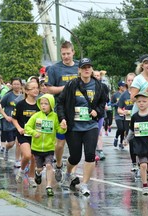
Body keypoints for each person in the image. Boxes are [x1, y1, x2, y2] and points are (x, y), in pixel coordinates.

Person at [57, 58, 106, 196]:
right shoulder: (71, 85)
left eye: (89, 67)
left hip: (91, 126)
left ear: (91, 69)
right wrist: (62, 119)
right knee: (75, 157)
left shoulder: (99, 86)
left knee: (90, 155)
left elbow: (103, 103)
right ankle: (68, 173)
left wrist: (98, 111)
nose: (86, 69)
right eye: (84, 67)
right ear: (79, 70)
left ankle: (84, 184)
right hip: (74, 127)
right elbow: (60, 103)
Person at [47, 41, 79, 184]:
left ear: (73, 52)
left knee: (76, 144)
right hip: (61, 110)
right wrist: (67, 88)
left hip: (78, 109)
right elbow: (49, 89)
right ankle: (59, 165)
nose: (66, 56)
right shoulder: (54, 69)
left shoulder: (80, 67)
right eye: (63, 54)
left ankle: (72, 172)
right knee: (60, 143)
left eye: (68, 53)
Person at [25, 94, 67, 196]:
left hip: (49, 147)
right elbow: (27, 127)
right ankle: (38, 173)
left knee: (49, 166)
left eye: (46, 104)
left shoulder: (55, 117)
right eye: (42, 103)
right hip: (37, 148)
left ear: (51, 105)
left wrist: (64, 128)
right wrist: (34, 133)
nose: (43, 106)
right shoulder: (36, 116)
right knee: (40, 168)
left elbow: (59, 130)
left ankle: (48, 186)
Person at [124, 91, 148, 195]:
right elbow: (131, 131)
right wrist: (127, 140)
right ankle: (145, 186)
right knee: (143, 165)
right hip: (139, 146)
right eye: (139, 101)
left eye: (144, 101)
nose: (141, 103)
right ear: (136, 103)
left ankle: (146, 174)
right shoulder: (135, 116)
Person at [12, 81, 40, 188]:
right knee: (27, 155)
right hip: (23, 134)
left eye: (37, 88)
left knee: (34, 158)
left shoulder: (39, 105)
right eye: (33, 88)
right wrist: (19, 128)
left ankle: (31, 177)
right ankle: (22, 170)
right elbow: (14, 119)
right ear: (27, 91)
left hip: (35, 134)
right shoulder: (20, 104)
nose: (36, 90)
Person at [117, 72, 137, 170]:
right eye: (129, 80)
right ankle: (134, 163)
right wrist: (123, 112)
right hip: (128, 121)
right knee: (132, 142)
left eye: (132, 80)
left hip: (139, 120)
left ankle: (142, 161)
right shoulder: (124, 95)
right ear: (126, 82)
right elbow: (119, 109)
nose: (130, 82)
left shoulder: (139, 92)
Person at [93, 70, 109, 160]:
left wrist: (106, 104)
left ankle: (100, 150)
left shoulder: (104, 87)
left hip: (101, 113)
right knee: (92, 132)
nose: (96, 77)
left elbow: (107, 99)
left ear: (100, 77)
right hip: (91, 113)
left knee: (99, 132)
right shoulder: (89, 86)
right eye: (94, 75)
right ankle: (93, 150)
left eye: (98, 75)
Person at [111, 80, 127, 149]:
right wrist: (117, 103)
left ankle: (121, 143)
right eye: (122, 86)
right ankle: (116, 137)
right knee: (120, 128)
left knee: (123, 129)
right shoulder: (115, 95)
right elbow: (111, 104)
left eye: (124, 86)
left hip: (125, 114)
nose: (123, 87)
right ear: (119, 87)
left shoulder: (127, 94)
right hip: (118, 114)